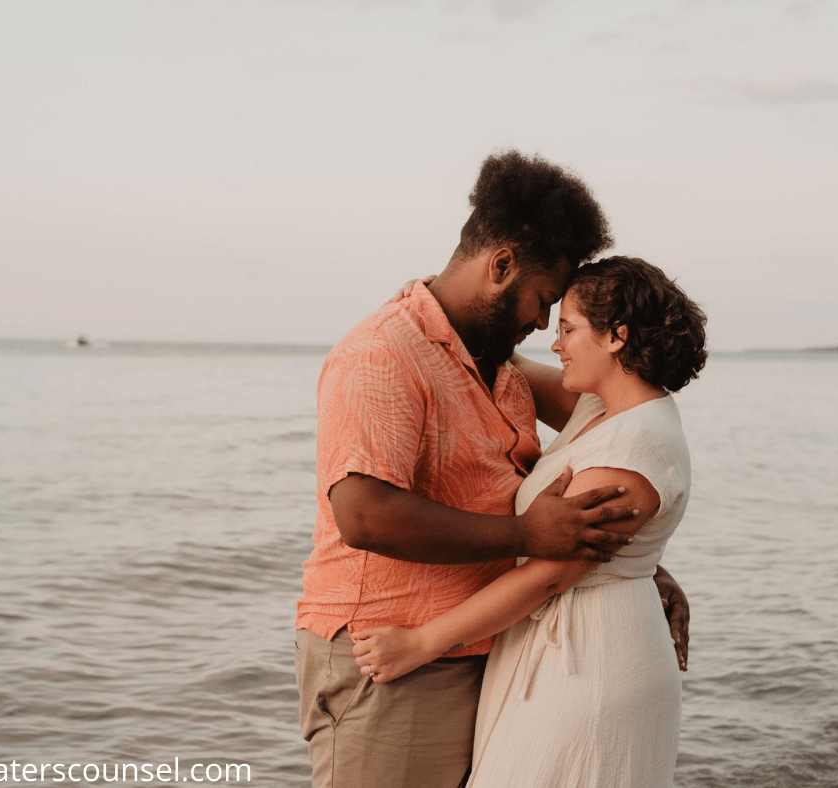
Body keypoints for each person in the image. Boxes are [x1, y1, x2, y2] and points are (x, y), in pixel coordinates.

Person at [295, 150, 689, 788]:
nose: (542, 325)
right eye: (542, 302)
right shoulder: (381, 354)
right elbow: (364, 515)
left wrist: (638, 563)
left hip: (478, 644)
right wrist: (530, 538)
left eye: (561, 315)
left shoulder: (500, 368)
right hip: (389, 651)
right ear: (500, 265)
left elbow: (615, 439)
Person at [352, 256, 707, 787]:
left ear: (617, 337)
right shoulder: (603, 410)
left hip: (590, 662)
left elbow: (548, 574)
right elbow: (504, 361)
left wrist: (422, 643)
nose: (556, 342)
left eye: (567, 328)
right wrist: (433, 304)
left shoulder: (633, 443)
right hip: (567, 646)